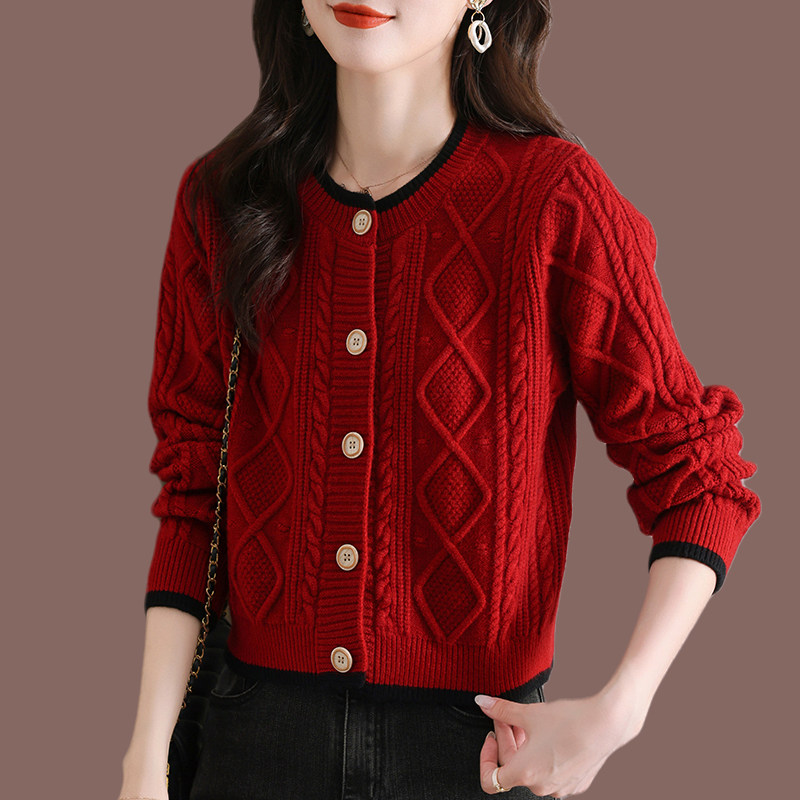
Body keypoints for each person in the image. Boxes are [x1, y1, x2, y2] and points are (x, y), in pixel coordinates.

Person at [118, 2, 762, 799]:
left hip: (478, 752)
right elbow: (192, 492)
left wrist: (617, 711)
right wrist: (146, 757)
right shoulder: (223, 199)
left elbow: (699, 478)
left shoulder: (554, 201)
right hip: (253, 740)